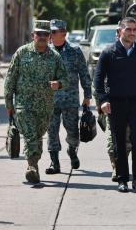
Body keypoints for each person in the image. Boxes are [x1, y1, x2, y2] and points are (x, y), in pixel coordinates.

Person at [94, 17, 136, 195]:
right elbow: (98, 80)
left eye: (134, 30)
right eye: (128, 29)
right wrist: (103, 100)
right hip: (116, 103)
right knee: (118, 142)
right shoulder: (108, 53)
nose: (132, 33)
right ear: (120, 31)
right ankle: (122, 179)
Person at [4, 20, 69, 184]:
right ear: (33, 35)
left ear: (49, 37)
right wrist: (8, 104)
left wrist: (58, 84)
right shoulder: (21, 53)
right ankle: (31, 167)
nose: (42, 37)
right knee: (31, 136)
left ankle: (34, 165)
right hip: (23, 105)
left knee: (38, 136)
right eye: (38, 34)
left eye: (45, 34)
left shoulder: (55, 57)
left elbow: (65, 79)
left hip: (45, 107)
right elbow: (10, 79)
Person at [45, 19, 92, 175]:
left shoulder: (75, 51)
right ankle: (54, 162)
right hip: (50, 100)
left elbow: (84, 73)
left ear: (63, 34)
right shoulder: (45, 51)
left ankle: (72, 151)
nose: (50, 35)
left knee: (72, 131)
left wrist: (87, 95)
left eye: (53, 32)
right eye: (50, 32)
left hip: (70, 99)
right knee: (52, 131)